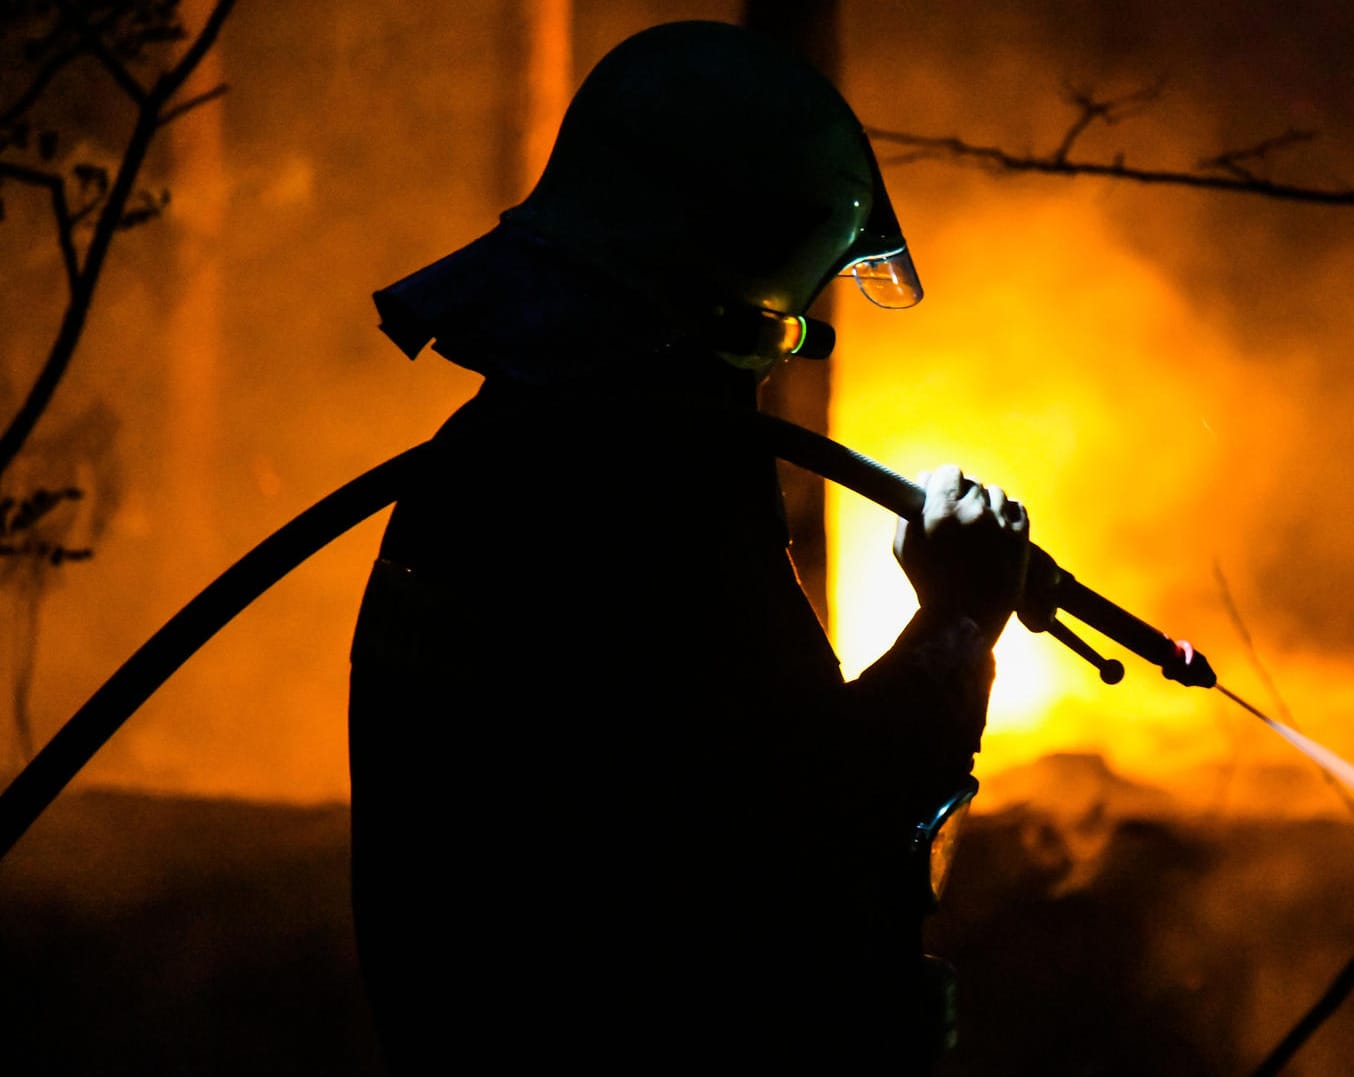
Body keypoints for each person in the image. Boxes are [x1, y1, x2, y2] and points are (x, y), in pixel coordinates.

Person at [346, 19, 1029, 1074]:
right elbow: (803, 828)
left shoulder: (491, 458)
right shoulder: (633, 491)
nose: (772, 361)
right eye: (778, 324)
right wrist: (954, 621)